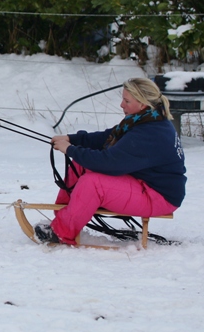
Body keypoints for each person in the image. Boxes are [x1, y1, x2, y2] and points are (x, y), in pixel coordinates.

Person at [36, 77, 186, 245]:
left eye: (126, 101)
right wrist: (71, 139)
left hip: (159, 196)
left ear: (142, 104)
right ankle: (65, 216)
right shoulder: (144, 120)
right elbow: (107, 137)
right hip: (143, 181)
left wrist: (70, 149)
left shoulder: (150, 133)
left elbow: (109, 162)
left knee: (93, 184)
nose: (122, 105)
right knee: (80, 165)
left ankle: (61, 231)